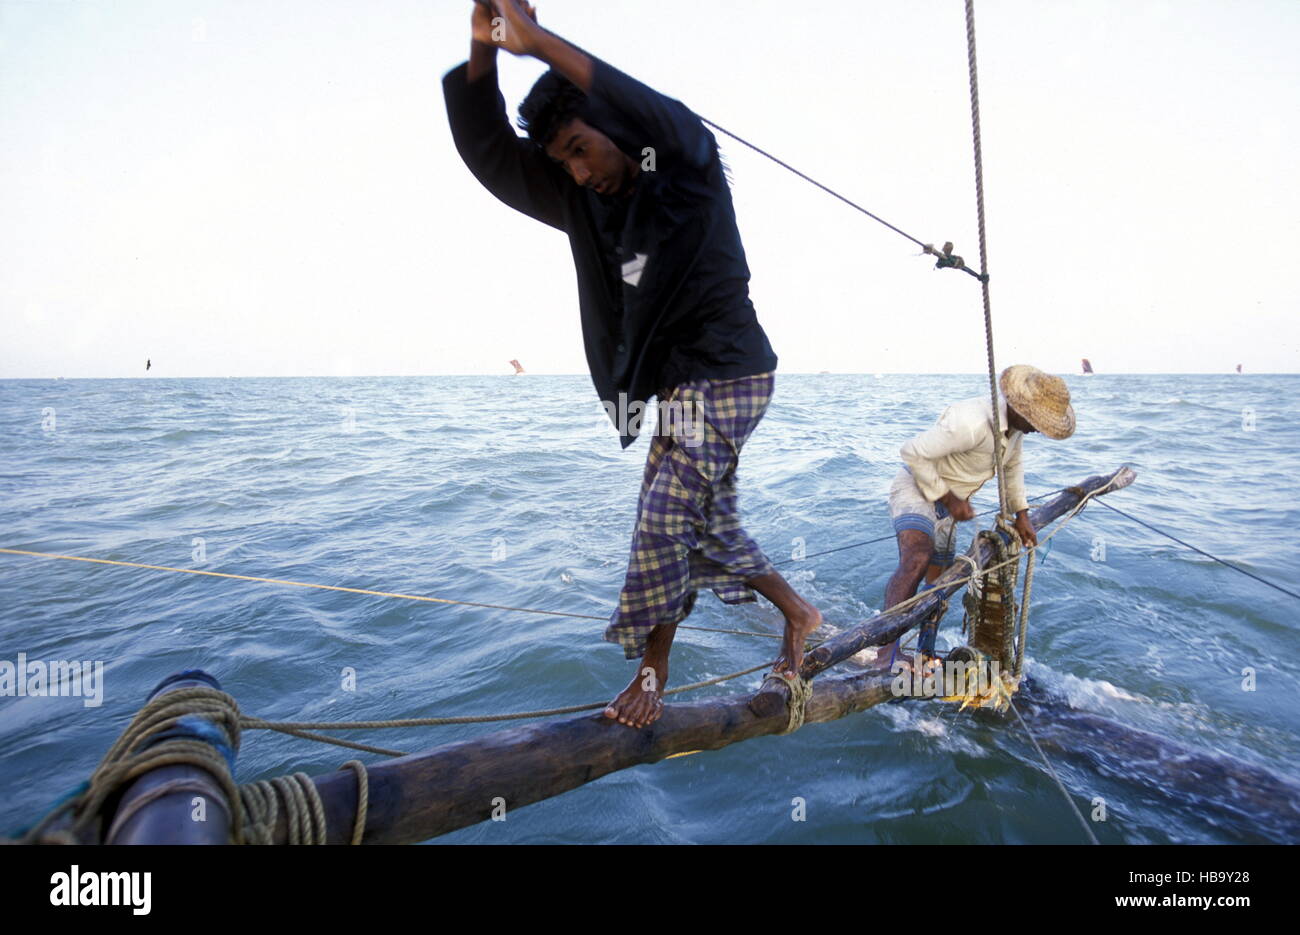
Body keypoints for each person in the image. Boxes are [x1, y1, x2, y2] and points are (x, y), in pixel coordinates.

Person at [443, 0, 821, 728]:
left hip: (735, 372)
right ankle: (798, 612)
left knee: (665, 510)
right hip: (682, 389)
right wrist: (482, 46)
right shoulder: (585, 199)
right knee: (704, 525)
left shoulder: (682, 166)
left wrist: (541, 42)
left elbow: (657, 114)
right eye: (564, 162)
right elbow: (490, 150)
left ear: (615, 127)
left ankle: (654, 671)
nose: (580, 173)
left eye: (583, 148)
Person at [877, 364, 1075, 667]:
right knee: (916, 557)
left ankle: (926, 654)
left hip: (950, 507)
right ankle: (886, 653)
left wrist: (1021, 514)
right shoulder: (969, 422)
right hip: (916, 489)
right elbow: (912, 452)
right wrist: (948, 497)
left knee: (941, 583)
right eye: (1038, 422)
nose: (1039, 429)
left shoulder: (1016, 429)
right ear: (1020, 408)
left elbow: (1012, 467)